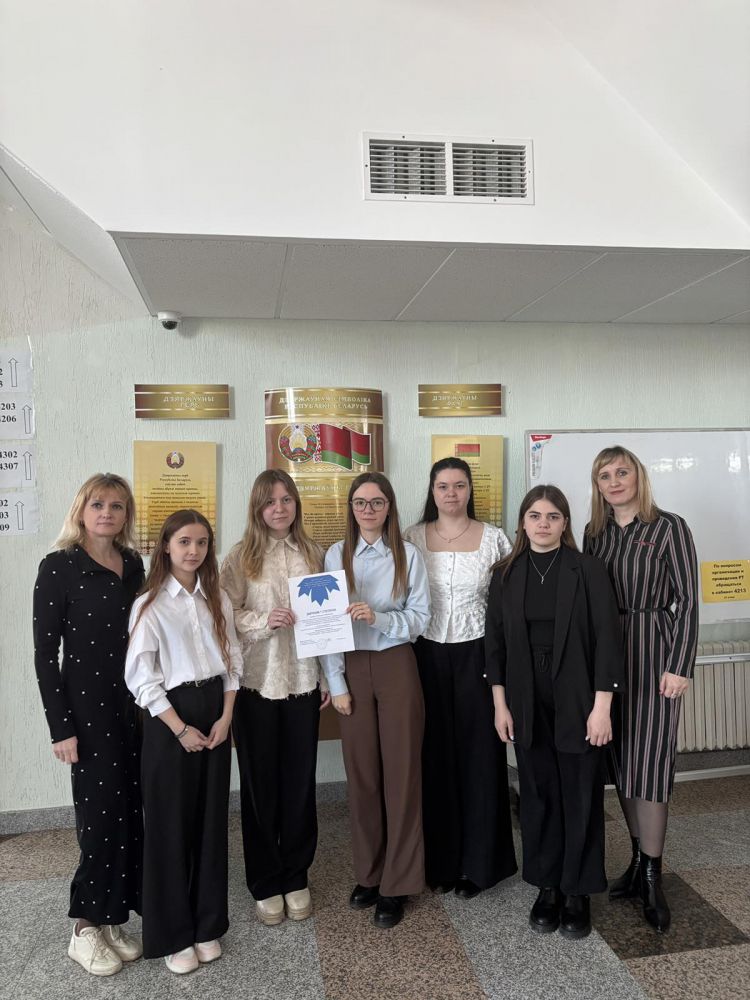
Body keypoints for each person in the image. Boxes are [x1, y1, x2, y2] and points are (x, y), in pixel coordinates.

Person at [485, 485, 623, 940]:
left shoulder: (587, 569)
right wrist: (500, 705)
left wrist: (602, 707)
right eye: (535, 515)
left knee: (580, 792)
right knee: (538, 792)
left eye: (553, 516)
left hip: (579, 695)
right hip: (525, 696)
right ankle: (547, 886)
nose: (543, 523)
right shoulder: (505, 574)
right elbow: (495, 645)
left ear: (565, 524)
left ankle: (578, 890)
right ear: (522, 523)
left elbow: (607, 639)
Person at [33, 473, 144, 976]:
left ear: (126, 515)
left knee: (130, 812)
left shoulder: (133, 564)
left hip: (134, 707)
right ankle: (83, 927)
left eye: (117, 506)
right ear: (81, 509)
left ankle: (111, 917)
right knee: (99, 817)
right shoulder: (59, 566)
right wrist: (61, 728)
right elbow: (44, 655)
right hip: (87, 712)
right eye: (98, 504)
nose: (107, 513)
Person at [584, 446, 698, 933]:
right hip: (607, 656)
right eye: (604, 475)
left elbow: (688, 601)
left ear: (638, 476)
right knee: (623, 762)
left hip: (654, 651)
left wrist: (680, 665)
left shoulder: (669, 528)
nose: (614, 482)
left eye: (621, 472)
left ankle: (652, 875)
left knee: (649, 763)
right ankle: (635, 862)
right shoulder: (595, 534)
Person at [125, 510, 241, 974]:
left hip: (215, 712)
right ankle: (173, 935)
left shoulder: (217, 596)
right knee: (170, 827)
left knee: (211, 823)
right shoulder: (150, 604)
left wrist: (227, 717)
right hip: (169, 717)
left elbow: (233, 660)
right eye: (184, 542)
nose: (193, 551)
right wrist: (178, 729)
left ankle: (207, 924)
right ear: (167, 547)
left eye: (202, 542)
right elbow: (141, 678)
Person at [220, 470, 329, 927]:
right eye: (270, 501)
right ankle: (266, 880)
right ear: (257, 508)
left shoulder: (315, 552)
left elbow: (327, 618)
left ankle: (297, 873)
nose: (279, 508)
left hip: (303, 681)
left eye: (286, 499)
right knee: (260, 786)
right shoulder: (239, 557)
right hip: (256, 685)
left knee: (300, 783)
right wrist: (265, 620)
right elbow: (225, 614)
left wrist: (329, 675)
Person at [322, 472, 431, 929]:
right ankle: (369, 874)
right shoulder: (335, 554)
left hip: (395, 664)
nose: (368, 510)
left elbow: (421, 618)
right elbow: (324, 623)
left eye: (377, 502)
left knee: (401, 775)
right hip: (352, 669)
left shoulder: (408, 555)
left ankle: (398, 883)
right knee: (362, 776)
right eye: (360, 503)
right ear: (351, 508)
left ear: (389, 507)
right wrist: (337, 683)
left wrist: (379, 618)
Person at [404, 458, 516, 898]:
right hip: (426, 653)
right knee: (433, 756)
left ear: (470, 490)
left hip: (478, 653)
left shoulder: (494, 539)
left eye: (459, 485)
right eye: (443, 486)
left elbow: (506, 604)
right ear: (432, 491)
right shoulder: (412, 537)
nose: (451, 493)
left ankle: (480, 865)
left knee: (480, 757)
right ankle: (441, 862)